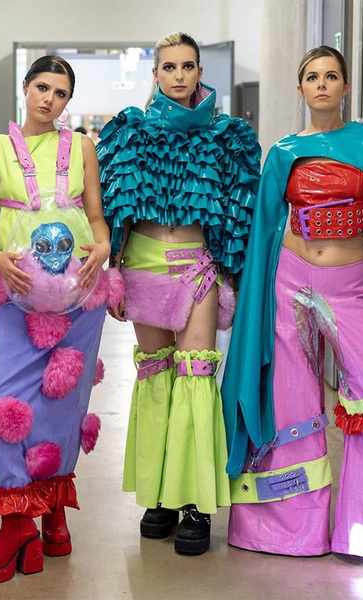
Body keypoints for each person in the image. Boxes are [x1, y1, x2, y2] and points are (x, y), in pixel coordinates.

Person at [221, 45, 363, 582]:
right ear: (299, 88)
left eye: (331, 76)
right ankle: (283, 531)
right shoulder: (281, 151)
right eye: (312, 77)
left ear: (346, 86)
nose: (322, 85)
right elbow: (264, 233)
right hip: (289, 282)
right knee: (290, 402)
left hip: (352, 287)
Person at [97, 32, 260, 555]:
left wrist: (232, 273)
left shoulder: (228, 136)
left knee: (195, 379)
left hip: (197, 271)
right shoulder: (128, 133)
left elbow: (240, 214)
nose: (180, 75)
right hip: (141, 270)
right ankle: (160, 497)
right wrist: (113, 274)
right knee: (156, 380)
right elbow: (112, 211)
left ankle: (192, 502)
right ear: (156, 74)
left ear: (199, 71)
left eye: (188, 65)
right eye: (169, 66)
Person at [0, 55, 116, 585]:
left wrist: (102, 245)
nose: (49, 99)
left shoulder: (82, 148)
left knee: (66, 402)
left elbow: (96, 216)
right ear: (25, 89)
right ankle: (14, 522)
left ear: (67, 102)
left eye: (59, 92)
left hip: (80, 292)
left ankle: (53, 509)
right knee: (4, 397)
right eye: (41, 87)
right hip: (17, 292)